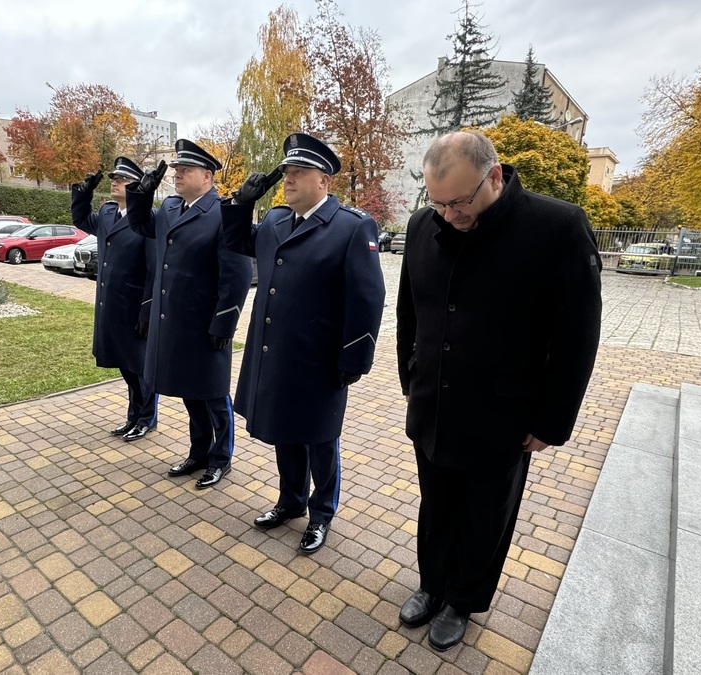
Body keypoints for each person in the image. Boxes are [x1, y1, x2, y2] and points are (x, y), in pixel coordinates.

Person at [395, 130, 601, 651]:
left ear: (494, 177)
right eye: (437, 202)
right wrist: (410, 377)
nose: (447, 215)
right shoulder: (424, 224)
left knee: (485, 514)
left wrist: (551, 421)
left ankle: (462, 600)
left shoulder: (556, 227)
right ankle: (431, 584)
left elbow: (577, 337)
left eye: (459, 202)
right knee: (436, 504)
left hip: (503, 414)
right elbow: (409, 313)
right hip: (433, 404)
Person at [222, 132, 385, 554]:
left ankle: (322, 513)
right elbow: (236, 242)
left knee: (320, 438)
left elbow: (367, 297)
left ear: (324, 181)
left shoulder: (351, 226)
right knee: (284, 431)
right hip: (274, 351)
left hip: (319, 358)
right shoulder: (276, 221)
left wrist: (356, 356)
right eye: (287, 173)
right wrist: (241, 204)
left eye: (299, 173)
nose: (288, 180)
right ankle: (290, 502)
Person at [125, 139, 252, 489]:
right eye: (177, 169)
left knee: (213, 395)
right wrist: (140, 194)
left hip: (205, 322)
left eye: (186, 170)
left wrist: (225, 321)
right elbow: (140, 226)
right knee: (188, 391)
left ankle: (221, 458)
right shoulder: (169, 208)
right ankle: (198, 453)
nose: (178, 174)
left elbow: (237, 274)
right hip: (174, 321)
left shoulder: (222, 213)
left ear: (207, 176)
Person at [70, 157, 157, 441]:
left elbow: (154, 270)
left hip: (133, 306)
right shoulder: (108, 213)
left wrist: (147, 311)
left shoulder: (146, 219)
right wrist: (84, 193)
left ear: (135, 185)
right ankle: (133, 415)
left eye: (121, 179)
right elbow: (81, 220)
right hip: (110, 304)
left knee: (140, 366)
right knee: (124, 364)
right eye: (113, 178)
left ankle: (146, 417)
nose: (114, 182)